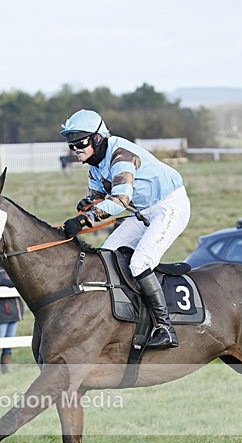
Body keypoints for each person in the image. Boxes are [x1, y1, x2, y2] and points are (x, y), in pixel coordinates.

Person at [60, 109, 191, 348]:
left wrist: (83, 221)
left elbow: (120, 200)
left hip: (169, 206)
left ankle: (165, 328)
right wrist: (88, 202)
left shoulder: (121, 155)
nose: (76, 149)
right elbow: (99, 194)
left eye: (80, 143)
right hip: (142, 212)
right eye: (72, 145)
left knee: (140, 263)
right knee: (105, 256)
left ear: (98, 138)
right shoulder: (94, 164)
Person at [0, 259, 24, 374]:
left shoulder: (9, 266)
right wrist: (17, 281)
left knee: (9, 344)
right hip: (1, 311)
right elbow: (0, 281)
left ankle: (6, 371)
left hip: (14, 310)